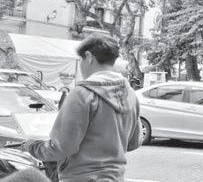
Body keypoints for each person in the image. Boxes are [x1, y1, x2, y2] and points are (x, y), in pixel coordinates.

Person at [20, 35, 142, 182]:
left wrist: (31, 146)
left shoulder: (82, 94)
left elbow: (62, 148)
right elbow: (134, 142)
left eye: (80, 60)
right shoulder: (131, 94)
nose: (81, 66)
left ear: (89, 57)